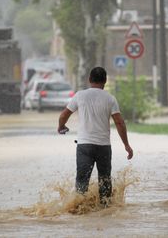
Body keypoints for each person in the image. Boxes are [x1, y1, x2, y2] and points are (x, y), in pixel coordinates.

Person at [57, 66, 133, 206]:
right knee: (105, 183)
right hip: (103, 147)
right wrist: (126, 145)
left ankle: (78, 210)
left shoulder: (80, 95)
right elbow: (119, 123)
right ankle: (105, 211)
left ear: (89, 79)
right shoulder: (110, 99)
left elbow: (63, 115)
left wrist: (61, 127)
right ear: (104, 81)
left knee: (81, 184)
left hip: (84, 146)